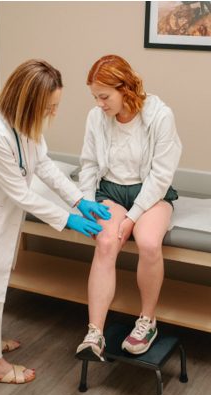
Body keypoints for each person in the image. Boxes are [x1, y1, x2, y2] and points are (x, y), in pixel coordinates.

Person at [0, 59, 110, 384]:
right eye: (50, 107)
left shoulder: (22, 122)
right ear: (28, 102)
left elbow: (43, 165)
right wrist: (68, 220)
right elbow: (21, 193)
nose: (54, 113)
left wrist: (79, 199)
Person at [75, 55, 182, 361]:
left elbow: (161, 176)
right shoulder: (96, 117)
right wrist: (86, 201)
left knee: (148, 243)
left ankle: (147, 321)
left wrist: (133, 217)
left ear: (125, 88)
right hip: (109, 189)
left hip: (152, 193)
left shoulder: (160, 115)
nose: (99, 104)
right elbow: (89, 164)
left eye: (104, 96)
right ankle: (94, 332)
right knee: (107, 241)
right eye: (95, 96)